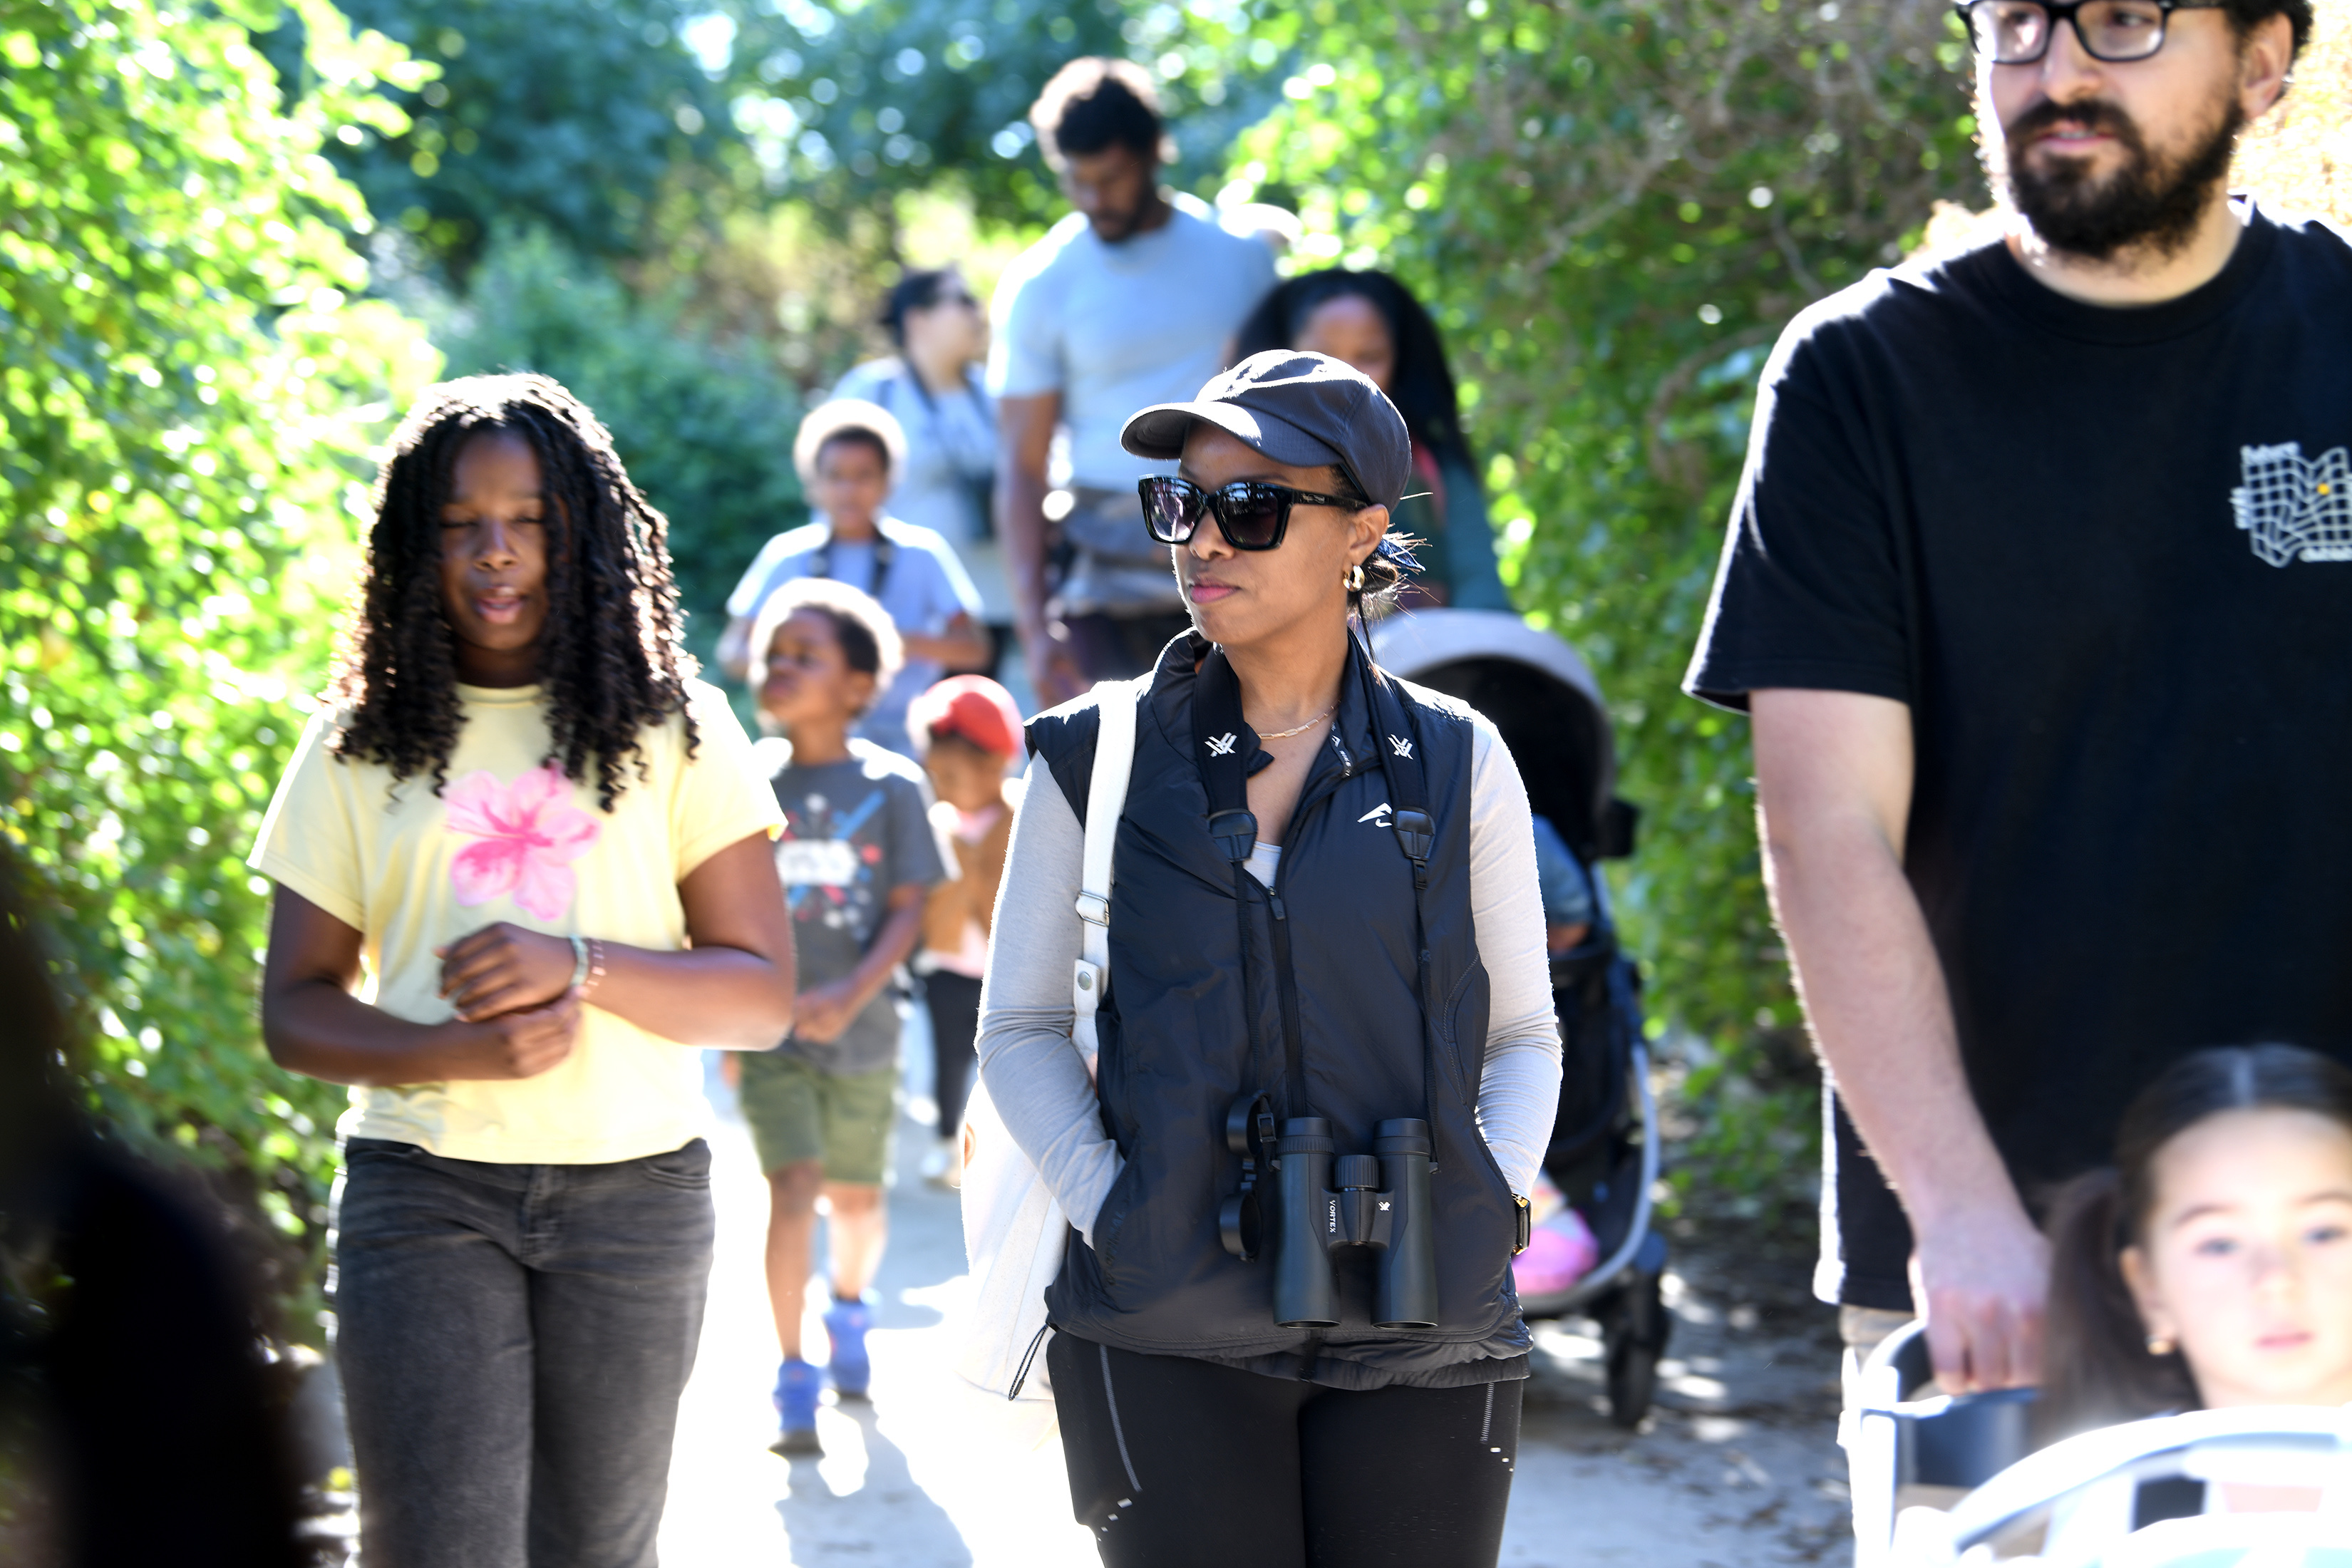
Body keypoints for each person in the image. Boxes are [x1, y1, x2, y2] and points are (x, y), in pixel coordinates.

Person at [1681, 0, 2335, 1437]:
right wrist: (1963, 1211)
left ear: (2266, 61)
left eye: (2120, 20)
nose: (2059, 71)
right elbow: (1825, 822)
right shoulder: (1863, 375)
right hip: (2012, 1265)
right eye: (2018, 25)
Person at [978, 351, 1561, 1567]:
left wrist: (1484, 1194)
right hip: (1162, 1325)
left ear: (1359, 530)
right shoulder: (1093, 755)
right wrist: (1120, 1211)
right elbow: (1019, 1025)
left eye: (1249, 506)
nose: (1202, 541)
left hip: (1427, 1320)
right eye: (1181, 505)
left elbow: (1523, 1034)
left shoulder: (1461, 761)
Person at [250, 373, 798, 1568]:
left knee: (598, 1553)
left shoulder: (678, 728)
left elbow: (758, 997)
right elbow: (292, 1012)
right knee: (437, 1548)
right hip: (423, 1193)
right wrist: (451, 1050)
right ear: (414, 545)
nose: (495, 555)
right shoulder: (355, 745)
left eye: (529, 522)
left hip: (636, 1203)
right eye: (459, 526)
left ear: (582, 533)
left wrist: (581, 965)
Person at [736, 576, 949, 1457]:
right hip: (770, 1036)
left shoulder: (893, 784)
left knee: (855, 1202)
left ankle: (849, 1311)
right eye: (773, 653)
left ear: (860, 685)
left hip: (865, 1032)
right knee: (791, 1191)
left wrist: (849, 992)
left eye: (805, 656)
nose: (780, 667)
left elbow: (909, 908)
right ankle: (793, 1372)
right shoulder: (745, 781)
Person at [990, 56, 1279, 706]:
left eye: (1112, 177)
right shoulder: (1042, 283)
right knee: (1118, 780)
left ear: (1153, 153)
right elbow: (1021, 466)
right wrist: (1035, 627)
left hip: (1231, 541)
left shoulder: (1240, 262)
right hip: (1101, 572)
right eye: (1076, 180)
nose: (1095, 198)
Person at [718, 400, 991, 751]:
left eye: (864, 475)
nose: (849, 491)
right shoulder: (787, 554)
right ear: (812, 484)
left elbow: (975, 648)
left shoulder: (923, 553)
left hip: (905, 744)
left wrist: (896, 644)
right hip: (804, 744)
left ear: (888, 482)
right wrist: (792, 662)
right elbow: (731, 653)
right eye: (835, 476)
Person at [1234, 269, 1512, 612]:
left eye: (1369, 357)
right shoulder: (1239, 466)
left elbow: (1482, 588)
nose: (1345, 375)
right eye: (1320, 358)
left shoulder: (1435, 469)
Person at [832, 267, 1011, 663]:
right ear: (918, 319)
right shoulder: (872, 391)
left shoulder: (993, 392)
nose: (976, 311)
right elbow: (829, 488)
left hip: (990, 605)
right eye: (962, 301)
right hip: (900, 610)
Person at [905, 673, 1027, 1189]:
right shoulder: (934, 822)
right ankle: (947, 1143)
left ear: (995, 763)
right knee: (949, 1058)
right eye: (936, 775)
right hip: (948, 967)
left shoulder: (1025, 814)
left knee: (1008, 1062)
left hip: (1008, 970)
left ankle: (1009, 1150)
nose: (942, 787)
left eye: (953, 775)